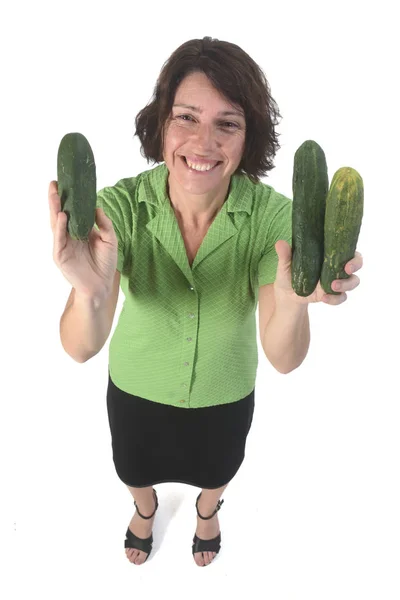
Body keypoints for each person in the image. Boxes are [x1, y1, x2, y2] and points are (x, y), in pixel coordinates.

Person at [48, 36, 363, 568]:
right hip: (136, 387)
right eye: (186, 118)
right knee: (132, 467)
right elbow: (80, 349)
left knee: (218, 467)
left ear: (248, 138)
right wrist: (92, 289)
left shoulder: (272, 219)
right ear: (161, 125)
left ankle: (208, 511)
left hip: (225, 391)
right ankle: (145, 511)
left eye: (228, 123)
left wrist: (293, 300)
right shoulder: (116, 210)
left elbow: (284, 359)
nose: (203, 142)